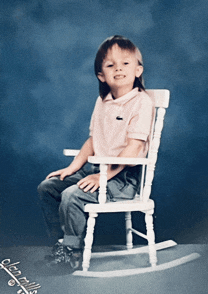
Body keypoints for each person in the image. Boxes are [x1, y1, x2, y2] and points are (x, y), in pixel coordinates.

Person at [37, 35, 154, 270]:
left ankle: (71, 251)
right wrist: (73, 167)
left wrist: (103, 176)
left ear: (138, 70)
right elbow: (93, 140)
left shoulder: (142, 102)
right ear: (101, 75)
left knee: (72, 195)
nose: (118, 68)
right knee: (48, 187)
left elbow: (133, 149)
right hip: (97, 170)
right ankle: (65, 243)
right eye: (110, 65)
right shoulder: (103, 100)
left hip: (123, 179)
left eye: (125, 63)